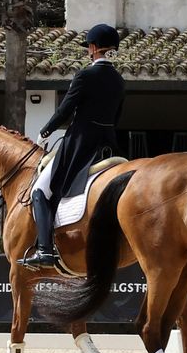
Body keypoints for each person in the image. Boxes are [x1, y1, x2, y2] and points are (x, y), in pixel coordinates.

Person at [17, 24, 126, 272]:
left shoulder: (85, 76)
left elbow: (65, 110)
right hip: (108, 146)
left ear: (94, 48)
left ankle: (45, 249)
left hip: (79, 144)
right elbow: (117, 117)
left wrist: (45, 132)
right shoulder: (119, 81)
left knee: (39, 191)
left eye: (89, 47)